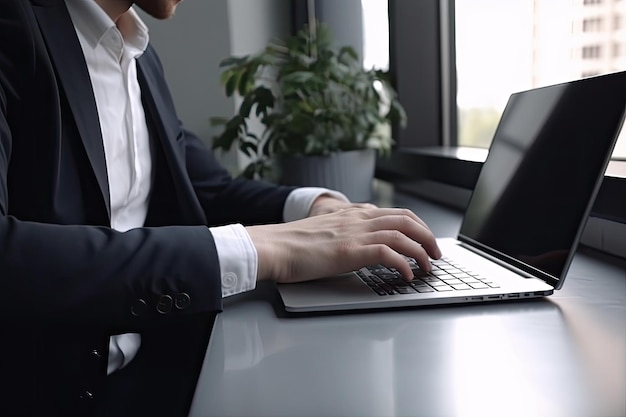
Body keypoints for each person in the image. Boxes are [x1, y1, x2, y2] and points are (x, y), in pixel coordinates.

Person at [0, 0, 441, 415]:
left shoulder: (138, 54)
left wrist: (315, 206)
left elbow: (203, 186)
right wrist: (265, 250)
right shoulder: (13, 26)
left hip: (147, 370)